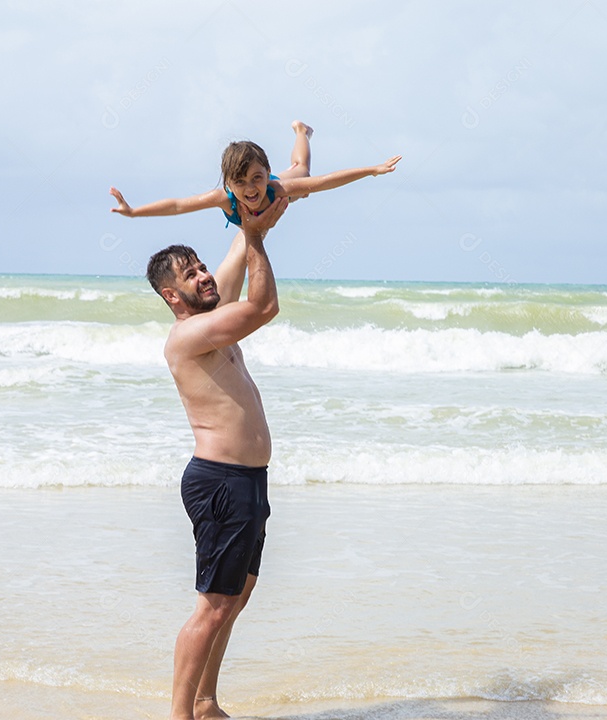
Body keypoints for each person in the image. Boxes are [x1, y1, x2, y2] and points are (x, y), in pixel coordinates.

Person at [145, 195, 289, 720]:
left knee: (237, 596)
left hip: (249, 481)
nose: (205, 275)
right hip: (221, 482)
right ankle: (181, 715)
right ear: (171, 294)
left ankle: (205, 702)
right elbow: (264, 307)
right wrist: (252, 238)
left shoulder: (210, 311)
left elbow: (242, 244)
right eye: (191, 274)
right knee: (213, 606)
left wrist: (260, 211)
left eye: (202, 266)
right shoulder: (189, 335)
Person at [111, 121, 400, 228]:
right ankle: (301, 132)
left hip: (282, 188)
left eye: (256, 178)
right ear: (228, 183)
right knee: (304, 182)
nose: (250, 188)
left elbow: (325, 182)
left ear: (267, 173)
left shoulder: (275, 188)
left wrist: (372, 170)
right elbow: (177, 205)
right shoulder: (223, 198)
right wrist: (135, 211)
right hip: (260, 205)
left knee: (304, 175)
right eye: (240, 182)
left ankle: (302, 131)